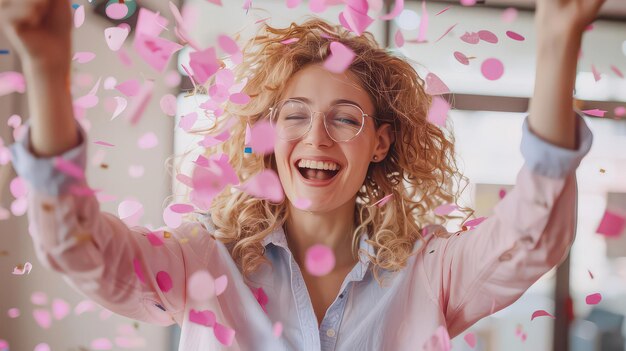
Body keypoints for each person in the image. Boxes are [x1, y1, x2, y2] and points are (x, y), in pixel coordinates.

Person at [0, 0, 603, 349]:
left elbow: (533, 236)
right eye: (294, 116)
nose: (315, 138)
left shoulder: (430, 273)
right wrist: (49, 74)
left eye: (345, 118)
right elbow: (83, 251)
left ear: (379, 142)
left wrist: (555, 47)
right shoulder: (203, 262)